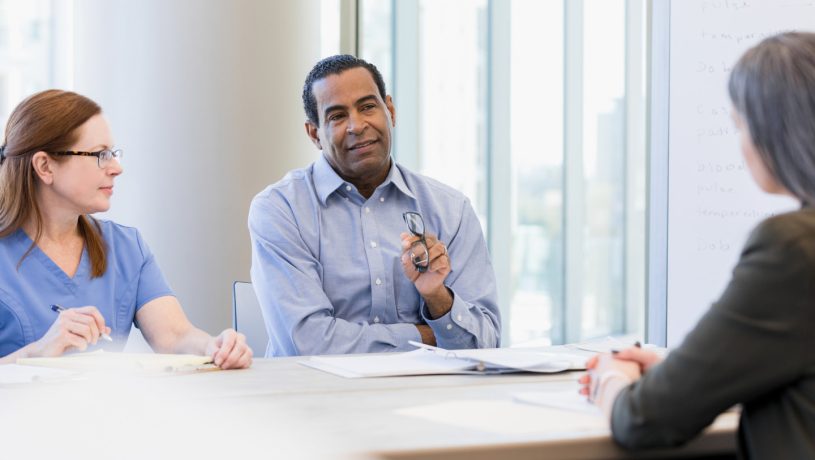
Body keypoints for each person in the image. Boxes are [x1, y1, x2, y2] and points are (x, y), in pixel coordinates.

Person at [580, 32, 815, 458]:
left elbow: (645, 418)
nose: (741, 145)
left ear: (774, 131)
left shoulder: (793, 248)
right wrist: (684, 373)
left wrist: (610, 379)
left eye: (739, 124)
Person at [249, 55, 500, 356]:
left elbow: (485, 345)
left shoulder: (451, 210)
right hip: (316, 398)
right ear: (314, 133)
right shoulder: (280, 211)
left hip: (427, 397)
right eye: (337, 116)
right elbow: (308, 343)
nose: (357, 125)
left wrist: (438, 299)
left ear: (390, 111)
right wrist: (427, 336)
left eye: (368, 107)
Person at [0, 89, 252, 369]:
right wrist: (35, 354)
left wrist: (213, 346)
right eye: (100, 155)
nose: (116, 168)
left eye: (113, 154)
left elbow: (174, 335)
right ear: (45, 166)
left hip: (107, 411)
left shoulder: (125, 247)